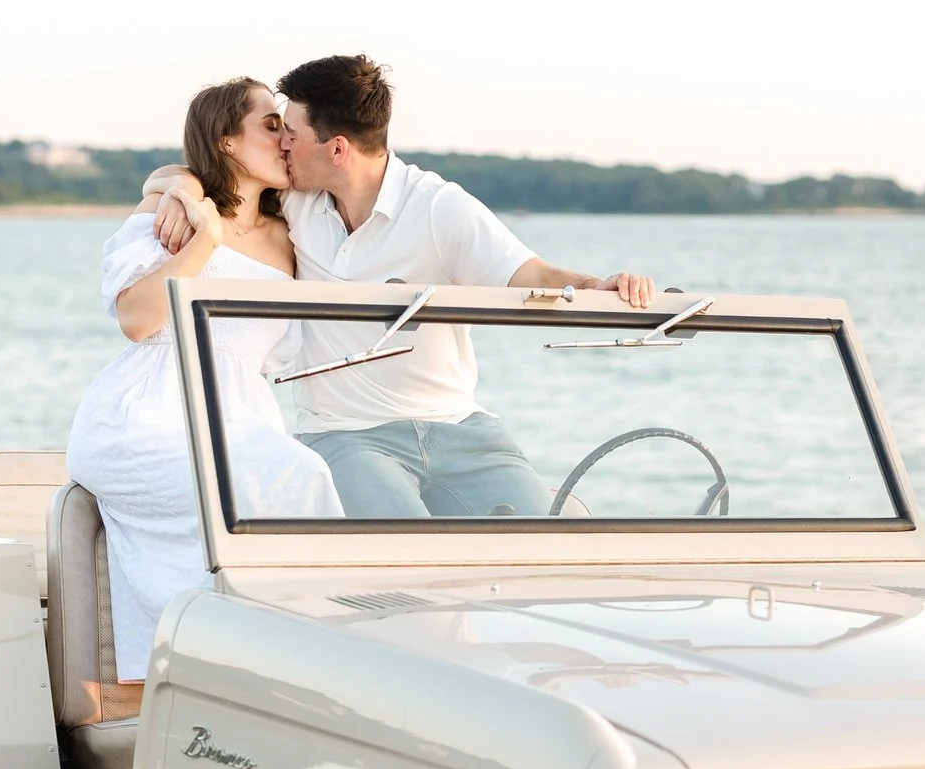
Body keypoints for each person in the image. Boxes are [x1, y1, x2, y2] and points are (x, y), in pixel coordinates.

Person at [146, 54, 653, 518]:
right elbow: (200, 175)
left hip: (460, 427)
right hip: (345, 435)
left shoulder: (438, 207)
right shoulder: (295, 201)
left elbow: (533, 276)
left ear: (337, 148)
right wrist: (180, 190)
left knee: (545, 544)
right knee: (404, 551)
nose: (283, 145)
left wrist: (599, 285)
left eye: (292, 135)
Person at [66, 77, 341, 681]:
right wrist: (204, 236)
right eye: (270, 124)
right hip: (145, 414)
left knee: (304, 475)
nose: (285, 136)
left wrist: (177, 181)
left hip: (240, 418)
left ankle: (295, 663)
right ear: (226, 141)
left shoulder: (291, 230)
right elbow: (137, 320)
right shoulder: (171, 216)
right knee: (240, 492)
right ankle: (218, 660)